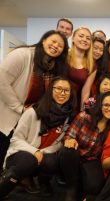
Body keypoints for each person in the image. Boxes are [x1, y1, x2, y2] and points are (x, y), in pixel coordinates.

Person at [0, 30, 69, 171]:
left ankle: (14, 180)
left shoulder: (53, 66)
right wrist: (19, 107)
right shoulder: (23, 55)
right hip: (9, 111)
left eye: (60, 45)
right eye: (53, 41)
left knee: (21, 151)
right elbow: (2, 81)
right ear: (43, 40)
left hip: (31, 114)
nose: (56, 46)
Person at [0, 77, 77, 200]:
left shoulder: (68, 116)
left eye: (66, 90)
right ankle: (3, 189)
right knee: (29, 160)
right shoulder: (33, 112)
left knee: (52, 162)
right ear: (51, 90)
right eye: (58, 89)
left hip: (43, 155)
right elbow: (16, 140)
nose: (62, 93)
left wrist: (41, 153)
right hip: (20, 154)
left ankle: (43, 182)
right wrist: (34, 151)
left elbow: (59, 143)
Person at [63, 92, 110, 200]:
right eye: (106, 105)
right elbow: (69, 135)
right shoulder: (84, 117)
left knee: (96, 185)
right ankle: (71, 188)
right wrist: (70, 140)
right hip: (74, 154)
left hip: (91, 160)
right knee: (68, 151)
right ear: (100, 106)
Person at [67, 27, 94, 111]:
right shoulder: (64, 56)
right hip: (55, 101)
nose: (84, 40)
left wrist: (82, 112)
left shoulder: (92, 64)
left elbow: (86, 91)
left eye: (88, 38)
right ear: (73, 39)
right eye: (81, 36)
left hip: (74, 105)